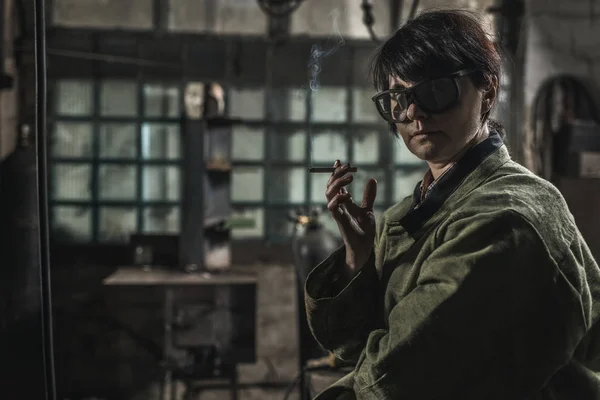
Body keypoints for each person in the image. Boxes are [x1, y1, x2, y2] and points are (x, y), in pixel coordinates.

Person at [304, 8, 600, 400]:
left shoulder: (509, 216)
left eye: (435, 91)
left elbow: (405, 375)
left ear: (488, 91)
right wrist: (358, 259)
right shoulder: (409, 214)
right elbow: (350, 348)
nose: (413, 113)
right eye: (399, 98)